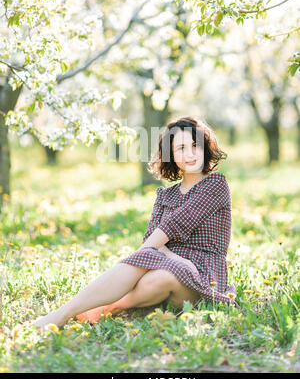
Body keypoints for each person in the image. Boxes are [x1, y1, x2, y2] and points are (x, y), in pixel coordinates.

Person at [34, 116, 236, 331]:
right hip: (165, 265)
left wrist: (156, 256)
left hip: (202, 275)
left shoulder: (216, 185)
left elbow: (176, 224)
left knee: (162, 276)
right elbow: (150, 241)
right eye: (181, 148)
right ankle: (64, 312)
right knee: (156, 274)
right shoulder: (165, 195)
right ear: (171, 155)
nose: (190, 154)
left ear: (205, 147)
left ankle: (107, 309)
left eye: (195, 146)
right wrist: (175, 259)